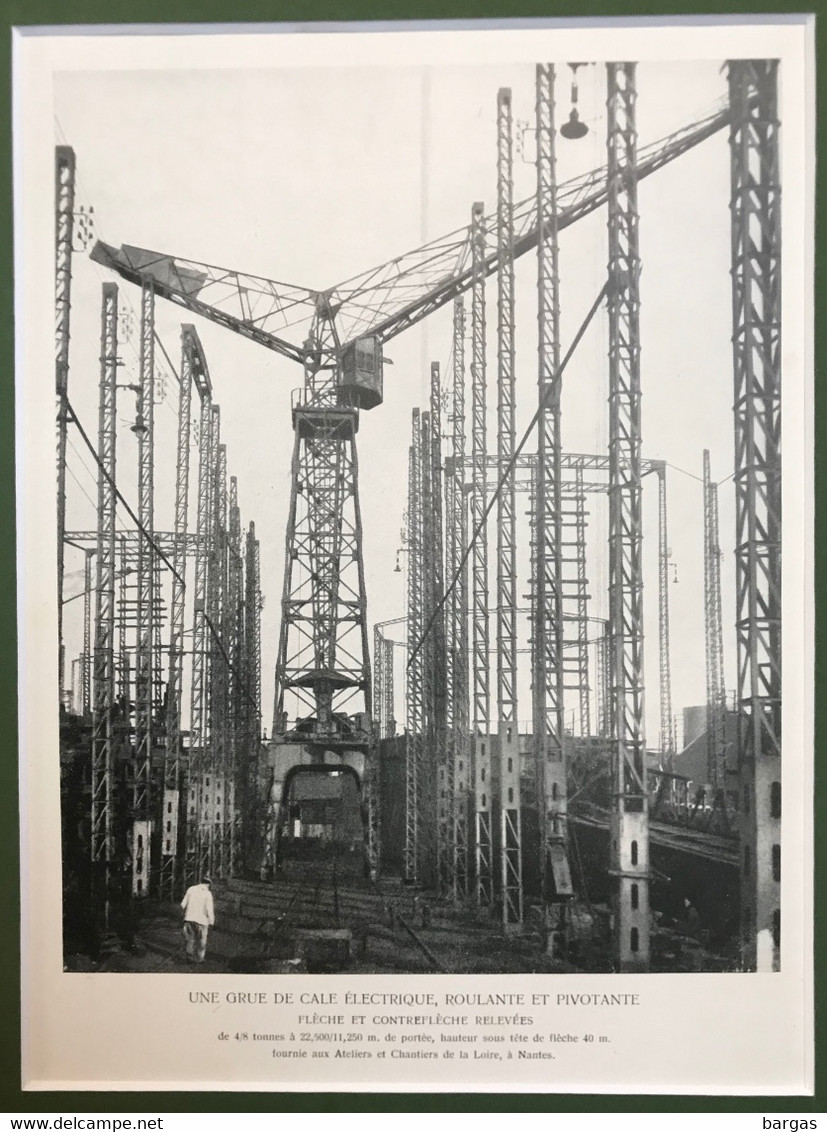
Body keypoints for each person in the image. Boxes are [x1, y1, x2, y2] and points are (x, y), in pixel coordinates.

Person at [181, 876, 215, 964]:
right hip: (202, 921)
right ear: (208, 884)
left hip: (189, 918)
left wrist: (184, 916)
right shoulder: (208, 893)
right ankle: (200, 959)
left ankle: (189, 957)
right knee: (202, 941)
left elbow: (182, 905)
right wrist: (211, 922)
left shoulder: (191, 889)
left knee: (190, 939)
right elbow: (209, 910)